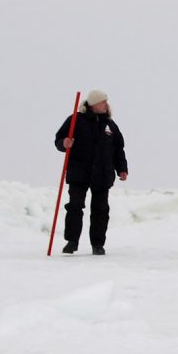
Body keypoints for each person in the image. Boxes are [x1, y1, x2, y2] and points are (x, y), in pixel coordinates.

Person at [53, 90, 129, 255]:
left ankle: (98, 244)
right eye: (103, 102)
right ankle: (71, 242)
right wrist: (64, 143)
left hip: (103, 174)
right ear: (93, 104)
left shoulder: (110, 125)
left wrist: (122, 168)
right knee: (75, 207)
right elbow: (59, 139)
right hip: (78, 173)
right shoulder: (75, 120)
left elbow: (118, 150)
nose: (106, 105)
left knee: (101, 210)